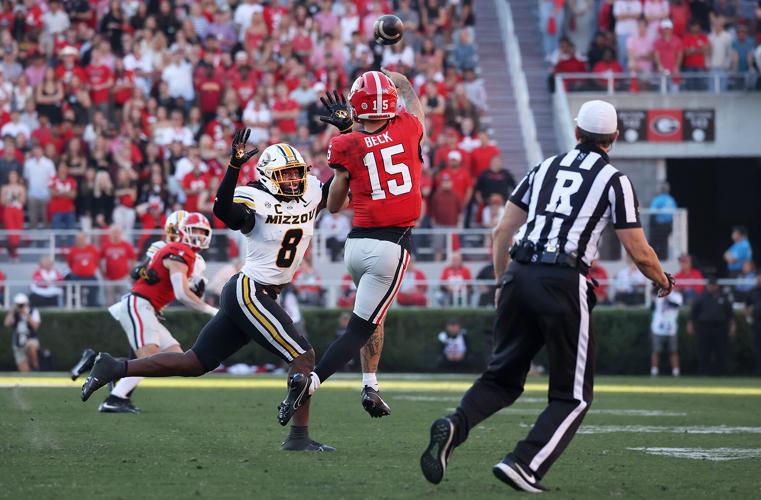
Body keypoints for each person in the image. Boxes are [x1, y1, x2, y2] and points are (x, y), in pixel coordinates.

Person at [419, 99, 674, 491]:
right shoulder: (614, 180)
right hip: (563, 279)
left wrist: (502, 282)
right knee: (572, 397)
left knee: (501, 377)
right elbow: (638, 249)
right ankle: (524, 463)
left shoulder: (544, 168)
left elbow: (502, 231)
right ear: (615, 139)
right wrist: (663, 278)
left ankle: (456, 424)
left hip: (519, 271)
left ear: (576, 133)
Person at [82, 131, 334, 451]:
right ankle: (298, 438)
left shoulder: (311, 191)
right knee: (303, 355)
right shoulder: (255, 197)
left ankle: (114, 367)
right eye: (285, 174)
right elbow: (223, 211)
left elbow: (338, 188)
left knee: (194, 363)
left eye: (297, 172)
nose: (294, 179)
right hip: (250, 291)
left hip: (257, 294)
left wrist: (347, 137)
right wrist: (232, 167)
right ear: (268, 176)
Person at [277, 69, 426, 425]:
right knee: (358, 329)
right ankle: (309, 383)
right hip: (391, 245)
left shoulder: (347, 143)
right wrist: (398, 78)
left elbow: (334, 204)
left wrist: (349, 136)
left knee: (374, 316)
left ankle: (370, 384)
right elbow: (414, 104)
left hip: (357, 245)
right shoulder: (408, 126)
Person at [688, 276, 735, 375]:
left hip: (720, 327)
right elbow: (693, 313)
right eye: (710, 285)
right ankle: (703, 372)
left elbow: (730, 314)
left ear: (717, 286)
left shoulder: (723, 297)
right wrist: (690, 325)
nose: (711, 287)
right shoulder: (701, 297)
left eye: (713, 285)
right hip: (704, 328)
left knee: (721, 351)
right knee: (704, 351)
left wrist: (732, 327)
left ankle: (722, 373)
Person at [650, 290, 684, 376]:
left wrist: (667, 298)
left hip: (671, 328)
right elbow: (652, 307)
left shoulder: (677, 296)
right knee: (656, 351)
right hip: (658, 327)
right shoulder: (658, 295)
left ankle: (676, 371)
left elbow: (676, 305)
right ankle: (654, 371)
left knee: (673, 351)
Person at [4, 293, 41, 372]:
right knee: (24, 371)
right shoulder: (15, 313)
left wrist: (26, 315)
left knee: (31, 346)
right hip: (18, 343)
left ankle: (36, 367)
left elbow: (35, 326)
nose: (20, 306)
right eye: (19, 304)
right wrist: (12, 311)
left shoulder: (33, 311)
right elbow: (7, 323)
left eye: (22, 304)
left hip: (30, 338)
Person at [649, 182, 676, 260]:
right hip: (668, 225)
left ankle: (655, 258)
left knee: (654, 242)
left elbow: (652, 212)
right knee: (664, 242)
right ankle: (664, 257)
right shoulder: (671, 200)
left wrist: (651, 225)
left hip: (659, 225)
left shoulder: (658, 199)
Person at [744, 272, 761, 375]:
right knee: (757, 349)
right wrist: (748, 317)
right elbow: (746, 307)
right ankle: (758, 370)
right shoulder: (752, 292)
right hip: (757, 324)